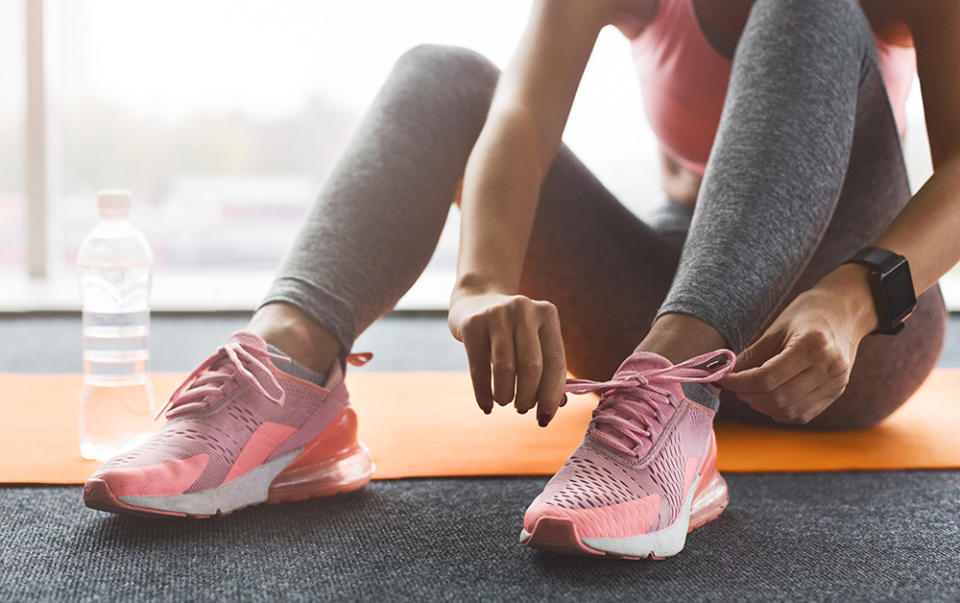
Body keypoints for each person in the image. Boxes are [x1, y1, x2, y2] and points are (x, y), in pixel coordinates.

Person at [83, 0, 957, 560]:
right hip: (663, 295)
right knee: (443, 73)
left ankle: (675, 397)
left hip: (854, 324)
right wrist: (480, 283)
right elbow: (518, 114)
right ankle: (291, 376)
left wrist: (854, 299)